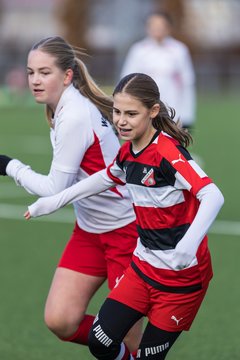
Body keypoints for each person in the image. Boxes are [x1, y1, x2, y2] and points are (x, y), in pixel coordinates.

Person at [23, 73, 224, 360]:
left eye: (131, 114)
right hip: (142, 270)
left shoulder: (167, 153)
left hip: (181, 280)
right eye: (117, 112)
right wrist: (53, 201)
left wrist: (187, 246)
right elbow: (104, 177)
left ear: (153, 112)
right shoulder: (128, 152)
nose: (121, 121)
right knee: (100, 340)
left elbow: (213, 195)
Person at [0, 37, 143, 353]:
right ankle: (117, 350)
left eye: (45, 72)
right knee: (60, 319)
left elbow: (55, 190)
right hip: (90, 232)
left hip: (126, 232)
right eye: (31, 72)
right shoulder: (61, 107)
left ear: (66, 76)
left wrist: (10, 166)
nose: (35, 80)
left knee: (134, 341)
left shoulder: (75, 112)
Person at [121, 11, 196, 130]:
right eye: (153, 26)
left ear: (168, 28)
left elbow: (187, 83)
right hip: (145, 109)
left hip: (173, 109)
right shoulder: (139, 50)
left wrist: (186, 115)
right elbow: (128, 80)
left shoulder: (179, 50)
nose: (157, 29)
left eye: (161, 26)